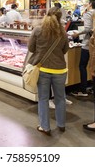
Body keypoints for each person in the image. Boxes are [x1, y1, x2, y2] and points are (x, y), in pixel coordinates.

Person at [28, 7, 69, 136]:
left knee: (43, 99)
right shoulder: (62, 32)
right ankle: (61, 125)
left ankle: (45, 127)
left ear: (46, 15)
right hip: (60, 70)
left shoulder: (38, 30)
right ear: (59, 17)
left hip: (43, 69)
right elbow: (65, 50)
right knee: (60, 98)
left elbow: (31, 48)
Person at [71, 0, 95, 97]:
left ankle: (83, 90)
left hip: (88, 43)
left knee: (82, 66)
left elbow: (88, 29)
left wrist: (77, 34)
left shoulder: (88, 14)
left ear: (90, 4)